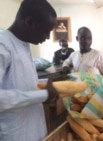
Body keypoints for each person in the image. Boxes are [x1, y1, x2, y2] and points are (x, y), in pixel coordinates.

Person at [0, 0, 62, 141]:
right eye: (46, 31)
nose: (47, 37)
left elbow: (20, 81)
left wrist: (46, 83)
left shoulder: (24, 44)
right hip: (15, 133)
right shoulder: (3, 45)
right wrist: (44, 95)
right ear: (29, 22)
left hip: (34, 128)